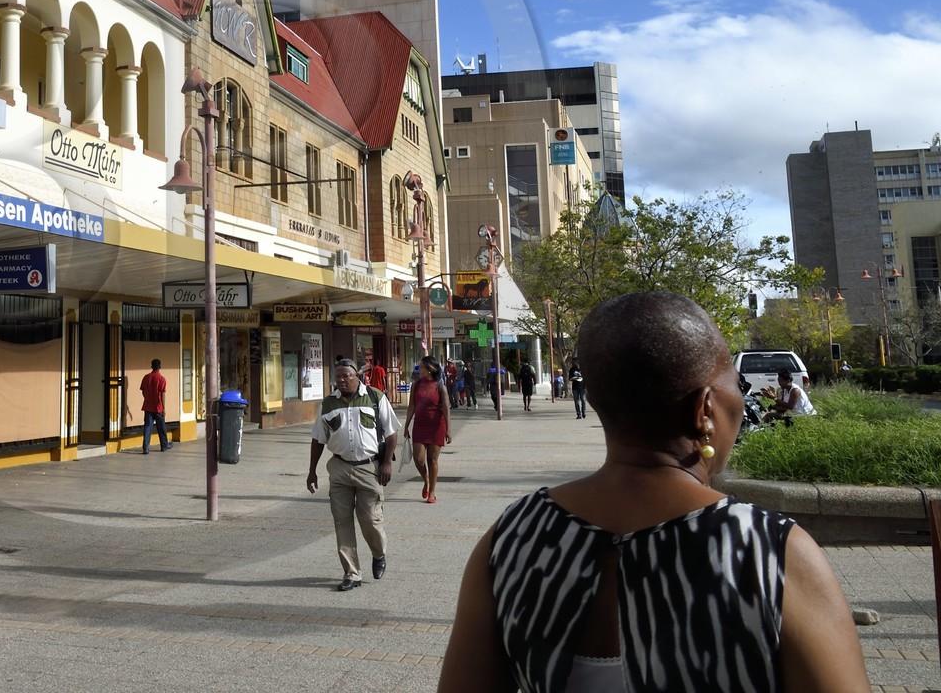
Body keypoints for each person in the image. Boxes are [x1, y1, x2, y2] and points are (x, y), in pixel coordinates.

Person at [438, 292, 869, 693]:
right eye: (736, 383)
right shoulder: (770, 550)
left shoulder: (512, 538)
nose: (741, 398)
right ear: (705, 409)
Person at [305, 359, 400, 591]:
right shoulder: (328, 404)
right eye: (338, 377)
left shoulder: (376, 397)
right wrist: (312, 471)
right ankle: (351, 573)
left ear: (357, 375)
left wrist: (387, 462)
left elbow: (391, 432)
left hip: (369, 468)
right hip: (339, 468)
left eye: (346, 376)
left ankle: (378, 554)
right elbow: (318, 439)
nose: (342, 380)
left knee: (369, 519)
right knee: (342, 521)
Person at [402, 355, 452, 503]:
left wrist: (448, 430)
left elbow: (446, 409)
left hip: (437, 426)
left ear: (430, 370)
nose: (419, 369)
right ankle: (426, 480)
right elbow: (412, 406)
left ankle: (432, 492)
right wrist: (406, 425)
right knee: (418, 459)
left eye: (422, 367)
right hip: (420, 425)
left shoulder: (440, 387)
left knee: (432, 459)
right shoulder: (416, 385)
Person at [139, 358, 171, 454]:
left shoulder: (146, 377)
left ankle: (145, 447)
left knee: (148, 427)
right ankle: (164, 445)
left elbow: (143, 392)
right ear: (160, 367)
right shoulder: (161, 379)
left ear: (151, 366)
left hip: (148, 406)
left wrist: (148, 399)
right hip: (158, 407)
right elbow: (162, 394)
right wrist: (164, 408)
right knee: (161, 427)